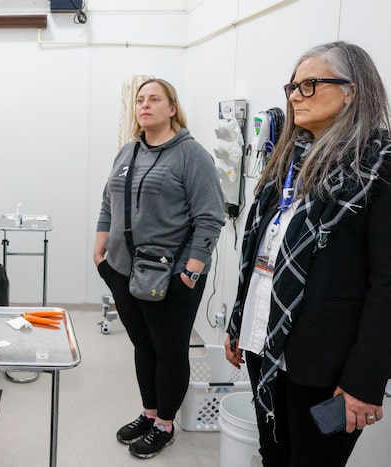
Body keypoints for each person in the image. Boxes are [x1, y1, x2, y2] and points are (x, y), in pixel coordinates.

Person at [224, 41, 391, 467]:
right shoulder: (288, 162)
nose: (294, 95)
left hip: (327, 365)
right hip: (266, 345)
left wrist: (363, 382)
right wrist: (239, 322)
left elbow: (390, 289)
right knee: (273, 455)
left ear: (352, 90)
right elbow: (262, 253)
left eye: (310, 84)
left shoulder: (388, 169)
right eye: (293, 86)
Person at [94, 78, 225, 459]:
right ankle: (149, 413)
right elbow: (108, 201)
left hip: (170, 277)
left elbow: (210, 219)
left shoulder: (191, 155)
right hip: (121, 270)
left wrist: (191, 272)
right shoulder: (127, 152)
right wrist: (100, 246)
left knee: (169, 351)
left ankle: (165, 424)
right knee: (143, 347)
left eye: (154, 99)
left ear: (172, 108)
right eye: (140, 100)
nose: (145, 105)